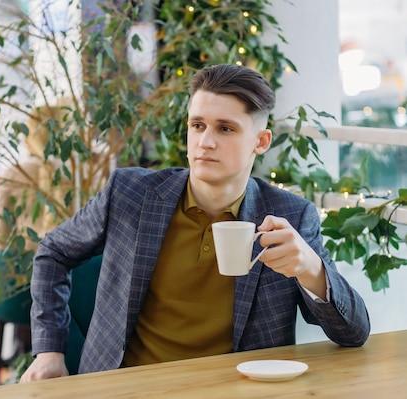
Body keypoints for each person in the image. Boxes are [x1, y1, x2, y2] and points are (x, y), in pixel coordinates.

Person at [19, 63, 371, 383]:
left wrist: (311, 269)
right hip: (124, 386)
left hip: (234, 390)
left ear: (260, 142)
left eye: (225, 128)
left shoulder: (291, 215)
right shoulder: (129, 194)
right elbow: (53, 252)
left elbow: (354, 334)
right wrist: (49, 349)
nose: (205, 142)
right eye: (197, 125)